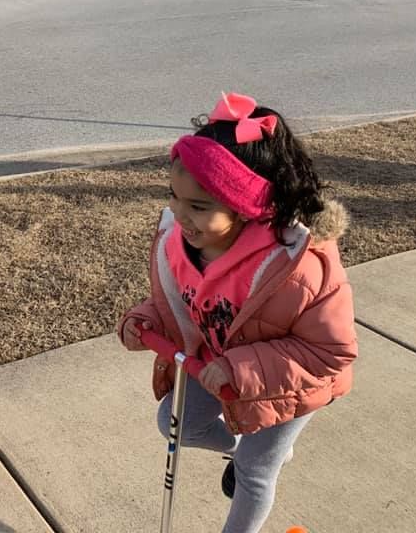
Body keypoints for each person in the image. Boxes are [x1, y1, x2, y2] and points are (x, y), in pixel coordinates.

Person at [118, 92, 357, 533]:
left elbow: (331, 353)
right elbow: (186, 303)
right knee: (176, 425)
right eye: (174, 197)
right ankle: (240, 448)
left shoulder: (299, 267)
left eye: (198, 206)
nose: (179, 214)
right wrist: (146, 319)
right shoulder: (180, 245)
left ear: (246, 205)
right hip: (217, 363)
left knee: (254, 471)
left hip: (288, 384)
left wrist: (241, 367)